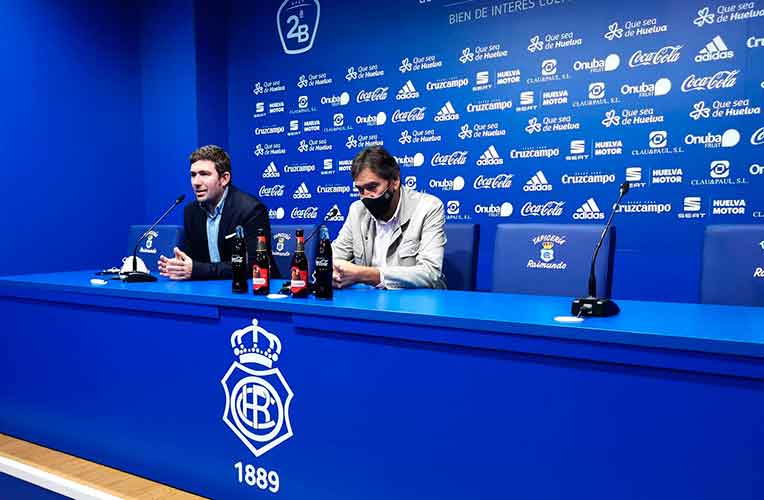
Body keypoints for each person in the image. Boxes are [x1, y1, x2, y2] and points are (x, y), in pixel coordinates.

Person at [332, 145, 446, 289]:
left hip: (414, 304)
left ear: (395, 180)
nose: (366, 196)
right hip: (368, 304)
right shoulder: (357, 210)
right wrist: (331, 272)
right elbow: (333, 258)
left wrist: (367, 275)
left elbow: (430, 274)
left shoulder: (428, 207)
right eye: (360, 190)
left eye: (372, 187)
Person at [158, 145, 276, 280]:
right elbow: (192, 261)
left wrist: (197, 270)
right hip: (209, 290)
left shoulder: (251, 209)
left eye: (204, 174)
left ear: (224, 178)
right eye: (193, 175)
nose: (196, 182)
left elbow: (255, 265)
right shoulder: (191, 212)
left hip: (251, 290)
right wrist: (179, 267)